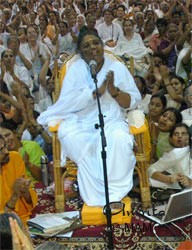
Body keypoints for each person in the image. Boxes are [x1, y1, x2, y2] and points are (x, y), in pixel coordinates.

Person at [37, 30, 141, 206]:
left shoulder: (117, 67)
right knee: (75, 137)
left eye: (95, 43)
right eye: (86, 45)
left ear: (102, 44)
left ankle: (114, 194)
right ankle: (95, 196)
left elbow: (132, 102)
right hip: (80, 121)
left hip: (112, 119)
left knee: (119, 139)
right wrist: (94, 94)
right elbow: (67, 103)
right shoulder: (75, 69)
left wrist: (114, 92)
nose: (92, 47)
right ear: (80, 52)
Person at [0, 134, 38, 225]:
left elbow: (29, 202)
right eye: (0, 150)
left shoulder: (14, 158)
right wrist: (14, 196)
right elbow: (2, 223)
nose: (6, 152)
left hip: (25, 219)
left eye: (4, 146)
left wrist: (24, 191)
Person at [148, 123, 192, 189]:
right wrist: (169, 179)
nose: (180, 136)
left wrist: (190, 182)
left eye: (183, 133)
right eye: (176, 134)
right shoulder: (175, 154)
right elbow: (150, 169)